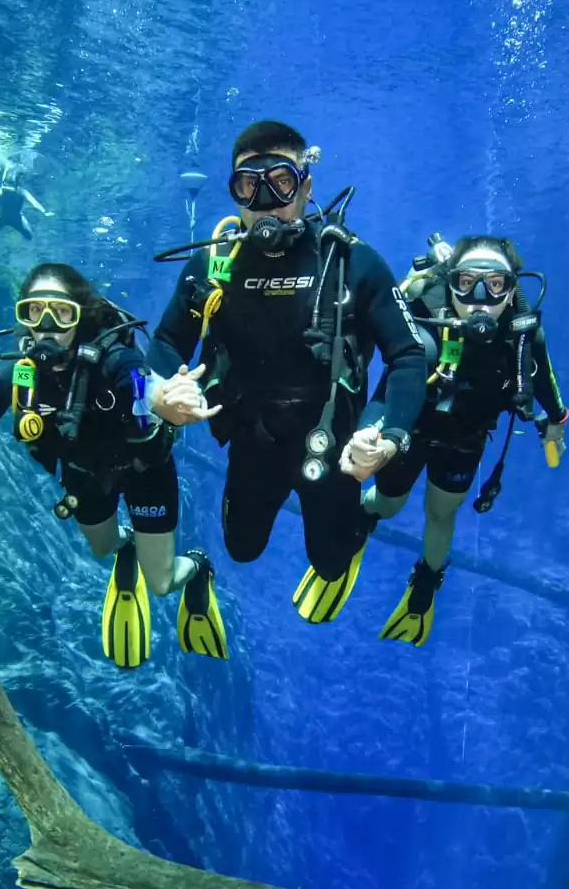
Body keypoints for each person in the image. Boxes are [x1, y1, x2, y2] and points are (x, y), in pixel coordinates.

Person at [144, 120, 429, 624]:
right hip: (253, 441)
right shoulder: (213, 266)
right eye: (248, 186)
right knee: (241, 549)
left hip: (334, 445)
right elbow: (166, 343)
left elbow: (407, 354)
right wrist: (155, 396)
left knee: (332, 563)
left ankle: (361, 516)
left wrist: (389, 436)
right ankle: (205, 571)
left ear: (306, 186)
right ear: (233, 192)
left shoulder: (351, 263)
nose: (265, 202)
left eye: (281, 183)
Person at [0, 262, 227, 667]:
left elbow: (143, 381)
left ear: (81, 315)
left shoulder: (110, 359)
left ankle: (197, 567)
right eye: (35, 313)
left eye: (62, 313)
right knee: (103, 547)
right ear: (24, 319)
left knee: (160, 583)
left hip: (145, 471)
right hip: (85, 478)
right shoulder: (18, 375)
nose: (48, 326)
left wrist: (166, 397)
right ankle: (128, 548)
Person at [362, 234, 569, 646]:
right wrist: (407, 289)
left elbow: (546, 387)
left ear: (512, 291)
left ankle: (426, 580)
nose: (479, 298)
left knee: (443, 512)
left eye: (495, 285)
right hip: (410, 432)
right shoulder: (423, 314)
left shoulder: (522, 338)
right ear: (449, 282)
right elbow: (383, 366)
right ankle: (359, 517)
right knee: (387, 504)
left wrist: (555, 426)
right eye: (466, 283)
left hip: (466, 440)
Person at [0, 164, 51, 240]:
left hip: (17, 218)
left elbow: (35, 203)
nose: (9, 189)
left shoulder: (21, 192)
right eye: (8, 185)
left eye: (11, 186)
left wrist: (44, 212)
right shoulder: (0, 191)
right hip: (2, 217)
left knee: (29, 236)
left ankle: (20, 216)